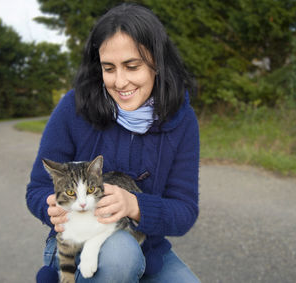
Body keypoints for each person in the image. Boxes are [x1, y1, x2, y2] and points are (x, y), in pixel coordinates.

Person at [26, 3, 200, 282]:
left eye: (132, 66)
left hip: (149, 249)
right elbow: (37, 189)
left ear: (157, 62)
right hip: (78, 246)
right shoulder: (73, 107)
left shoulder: (182, 120)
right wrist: (50, 207)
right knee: (120, 255)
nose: (120, 82)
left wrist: (135, 206)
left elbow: (184, 211)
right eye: (109, 68)